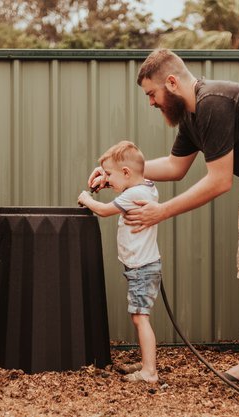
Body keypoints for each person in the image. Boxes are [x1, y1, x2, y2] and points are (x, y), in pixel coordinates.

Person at [88, 49, 239, 409]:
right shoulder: (190, 118)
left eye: (152, 94)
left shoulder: (214, 104)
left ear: (171, 83)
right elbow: (174, 167)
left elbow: (218, 182)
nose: (152, 103)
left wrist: (161, 211)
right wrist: (115, 176)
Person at [78, 140, 161, 384]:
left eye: (110, 174)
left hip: (141, 268)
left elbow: (103, 210)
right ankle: (147, 362)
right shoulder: (146, 187)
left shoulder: (134, 193)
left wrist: (86, 198)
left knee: (140, 317)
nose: (107, 178)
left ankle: (150, 372)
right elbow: (126, 186)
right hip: (144, 266)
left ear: (126, 173)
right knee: (139, 315)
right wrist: (108, 178)